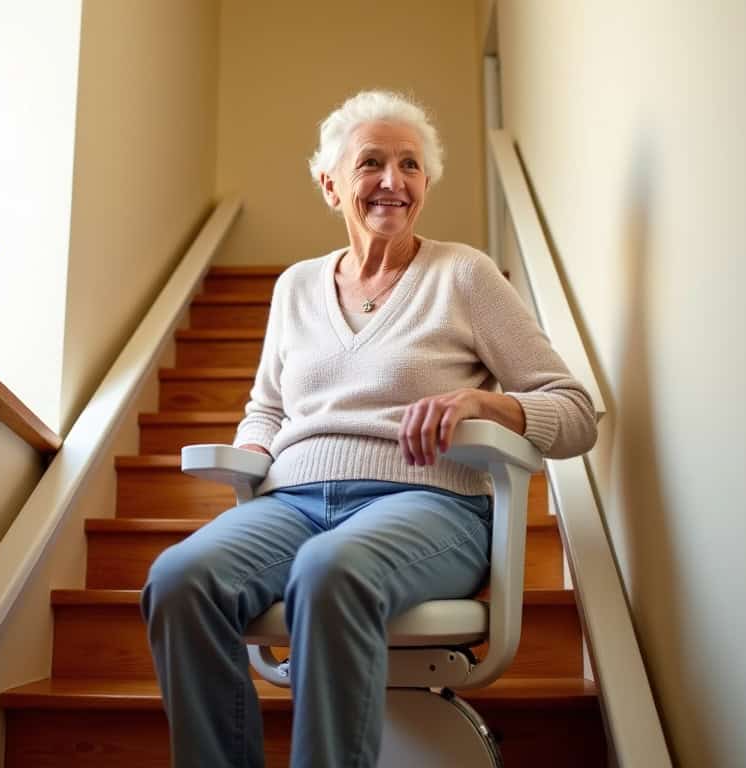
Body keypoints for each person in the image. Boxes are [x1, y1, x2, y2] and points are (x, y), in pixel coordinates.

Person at [141, 90, 597, 768]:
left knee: (330, 571)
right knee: (178, 580)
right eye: (371, 163)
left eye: (411, 166)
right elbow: (267, 406)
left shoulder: (463, 275)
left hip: (428, 505)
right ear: (330, 184)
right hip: (293, 502)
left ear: (426, 185)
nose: (393, 181)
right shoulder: (295, 287)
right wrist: (251, 448)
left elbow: (575, 413)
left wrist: (487, 406)